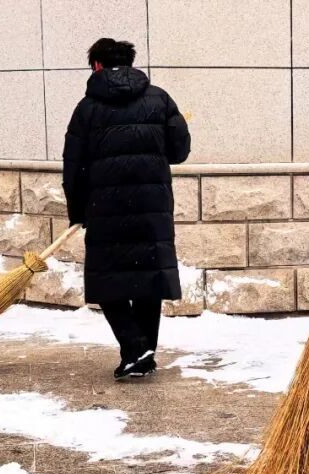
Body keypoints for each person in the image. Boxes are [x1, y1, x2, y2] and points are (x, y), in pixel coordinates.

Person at [63, 38, 191, 380]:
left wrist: (77, 210)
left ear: (97, 66)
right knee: (148, 280)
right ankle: (142, 355)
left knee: (107, 281)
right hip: (152, 207)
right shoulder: (160, 99)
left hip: (104, 209)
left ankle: (135, 349)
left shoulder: (87, 108)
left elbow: (73, 165)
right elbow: (179, 151)